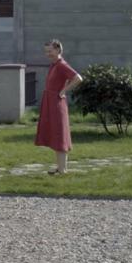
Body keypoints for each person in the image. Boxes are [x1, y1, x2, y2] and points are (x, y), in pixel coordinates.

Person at [35, 39, 82, 175]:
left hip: (57, 103)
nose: (47, 54)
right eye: (46, 51)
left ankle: (62, 169)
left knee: (60, 135)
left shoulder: (62, 65)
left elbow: (78, 78)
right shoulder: (54, 65)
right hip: (51, 102)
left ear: (58, 50)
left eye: (50, 51)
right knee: (55, 134)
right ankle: (61, 167)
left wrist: (64, 90)